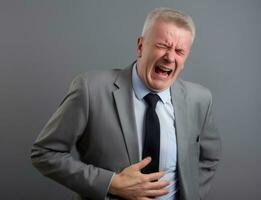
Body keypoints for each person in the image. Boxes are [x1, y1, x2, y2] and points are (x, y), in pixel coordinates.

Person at [31, 7, 221, 200]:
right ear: (140, 46)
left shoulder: (200, 99)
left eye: (179, 51)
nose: (170, 57)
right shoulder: (90, 90)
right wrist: (110, 183)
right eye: (163, 45)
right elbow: (45, 153)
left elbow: (209, 158)